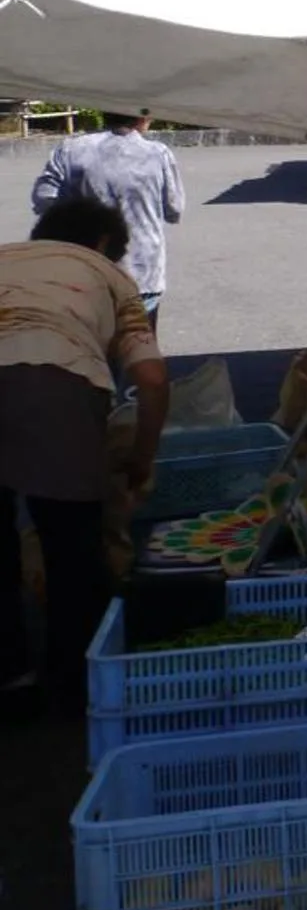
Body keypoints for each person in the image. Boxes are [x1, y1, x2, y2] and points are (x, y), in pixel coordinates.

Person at [0, 197, 170, 716]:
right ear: (103, 243)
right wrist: (142, 459)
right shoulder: (111, 277)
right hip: (58, 382)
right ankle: (74, 688)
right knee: (71, 543)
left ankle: (10, 676)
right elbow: (152, 380)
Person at [32, 111, 183, 325]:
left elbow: (43, 199)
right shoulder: (158, 154)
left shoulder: (70, 149)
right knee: (140, 347)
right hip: (142, 271)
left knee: (89, 348)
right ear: (142, 118)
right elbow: (174, 209)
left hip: (85, 270)